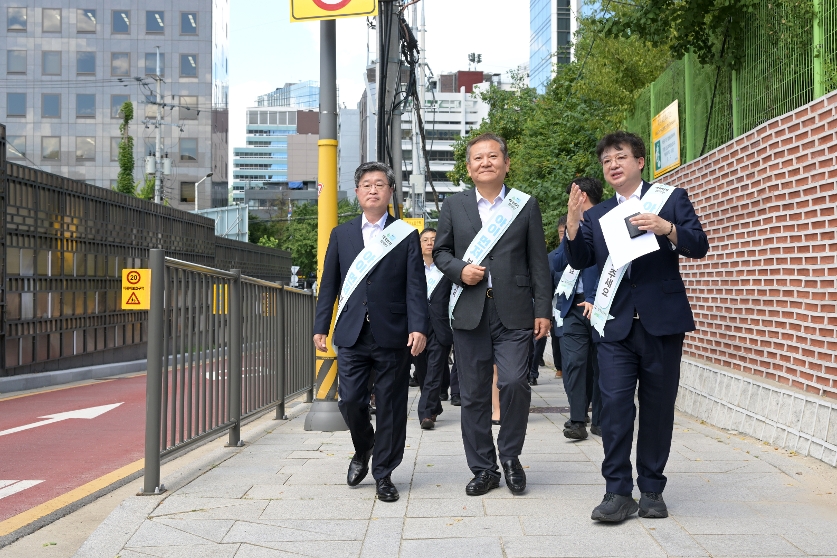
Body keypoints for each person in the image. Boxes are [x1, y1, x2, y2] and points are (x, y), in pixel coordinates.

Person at [565, 131, 708, 522]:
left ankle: (651, 489)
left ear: (640, 161)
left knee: (658, 409)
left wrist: (667, 228)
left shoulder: (670, 199)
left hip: (662, 323)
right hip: (614, 328)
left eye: (621, 157)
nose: (613, 164)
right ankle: (616, 491)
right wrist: (573, 223)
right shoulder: (596, 215)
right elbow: (579, 260)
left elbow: (698, 244)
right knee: (613, 407)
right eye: (607, 160)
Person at [433, 132, 552, 496]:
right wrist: (458, 270)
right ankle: (484, 468)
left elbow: (538, 263)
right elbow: (440, 252)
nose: (486, 162)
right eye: (478, 158)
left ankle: (511, 455)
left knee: (515, 382)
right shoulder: (455, 206)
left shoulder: (525, 205)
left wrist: (543, 308)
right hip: (469, 311)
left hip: (514, 312)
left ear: (506, 163)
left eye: (493, 156)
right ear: (469, 168)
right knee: (472, 394)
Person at [313, 161, 428, 503]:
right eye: (367, 184)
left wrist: (419, 327)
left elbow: (415, 286)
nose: (373, 189)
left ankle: (384, 474)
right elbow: (329, 284)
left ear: (390, 192)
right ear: (358, 192)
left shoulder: (406, 234)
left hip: (392, 331)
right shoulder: (341, 234)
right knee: (349, 401)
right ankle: (364, 448)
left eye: (380, 184)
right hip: (351, 332)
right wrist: (321, 326)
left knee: (392, 406)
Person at [552, 177, 604, 441]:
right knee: (574, 363)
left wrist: (596, 298)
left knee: (602, 364)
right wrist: (570, 230)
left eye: (571, 195)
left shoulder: (607, 221)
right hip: (573, 306)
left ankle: (601, 420)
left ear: (580, 195)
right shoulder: (572, 224)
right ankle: (576, 419)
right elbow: (559, 261)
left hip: (603, 304)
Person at [412, 227, 454, 430]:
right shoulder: (411, 268)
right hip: (417, 327)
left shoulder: (447, 268)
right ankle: (434, 405)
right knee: (422, 371)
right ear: (418, 245)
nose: (429, 242)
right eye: (425, 239)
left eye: (433, 239)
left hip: (441, 326)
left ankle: (426, 413)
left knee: (435, 369)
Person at [549, 216, 567, 379]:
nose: (565, 236)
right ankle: (560, 367)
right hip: (559, 312)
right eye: (562, 233)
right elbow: (547, 288)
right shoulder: (552, 258)